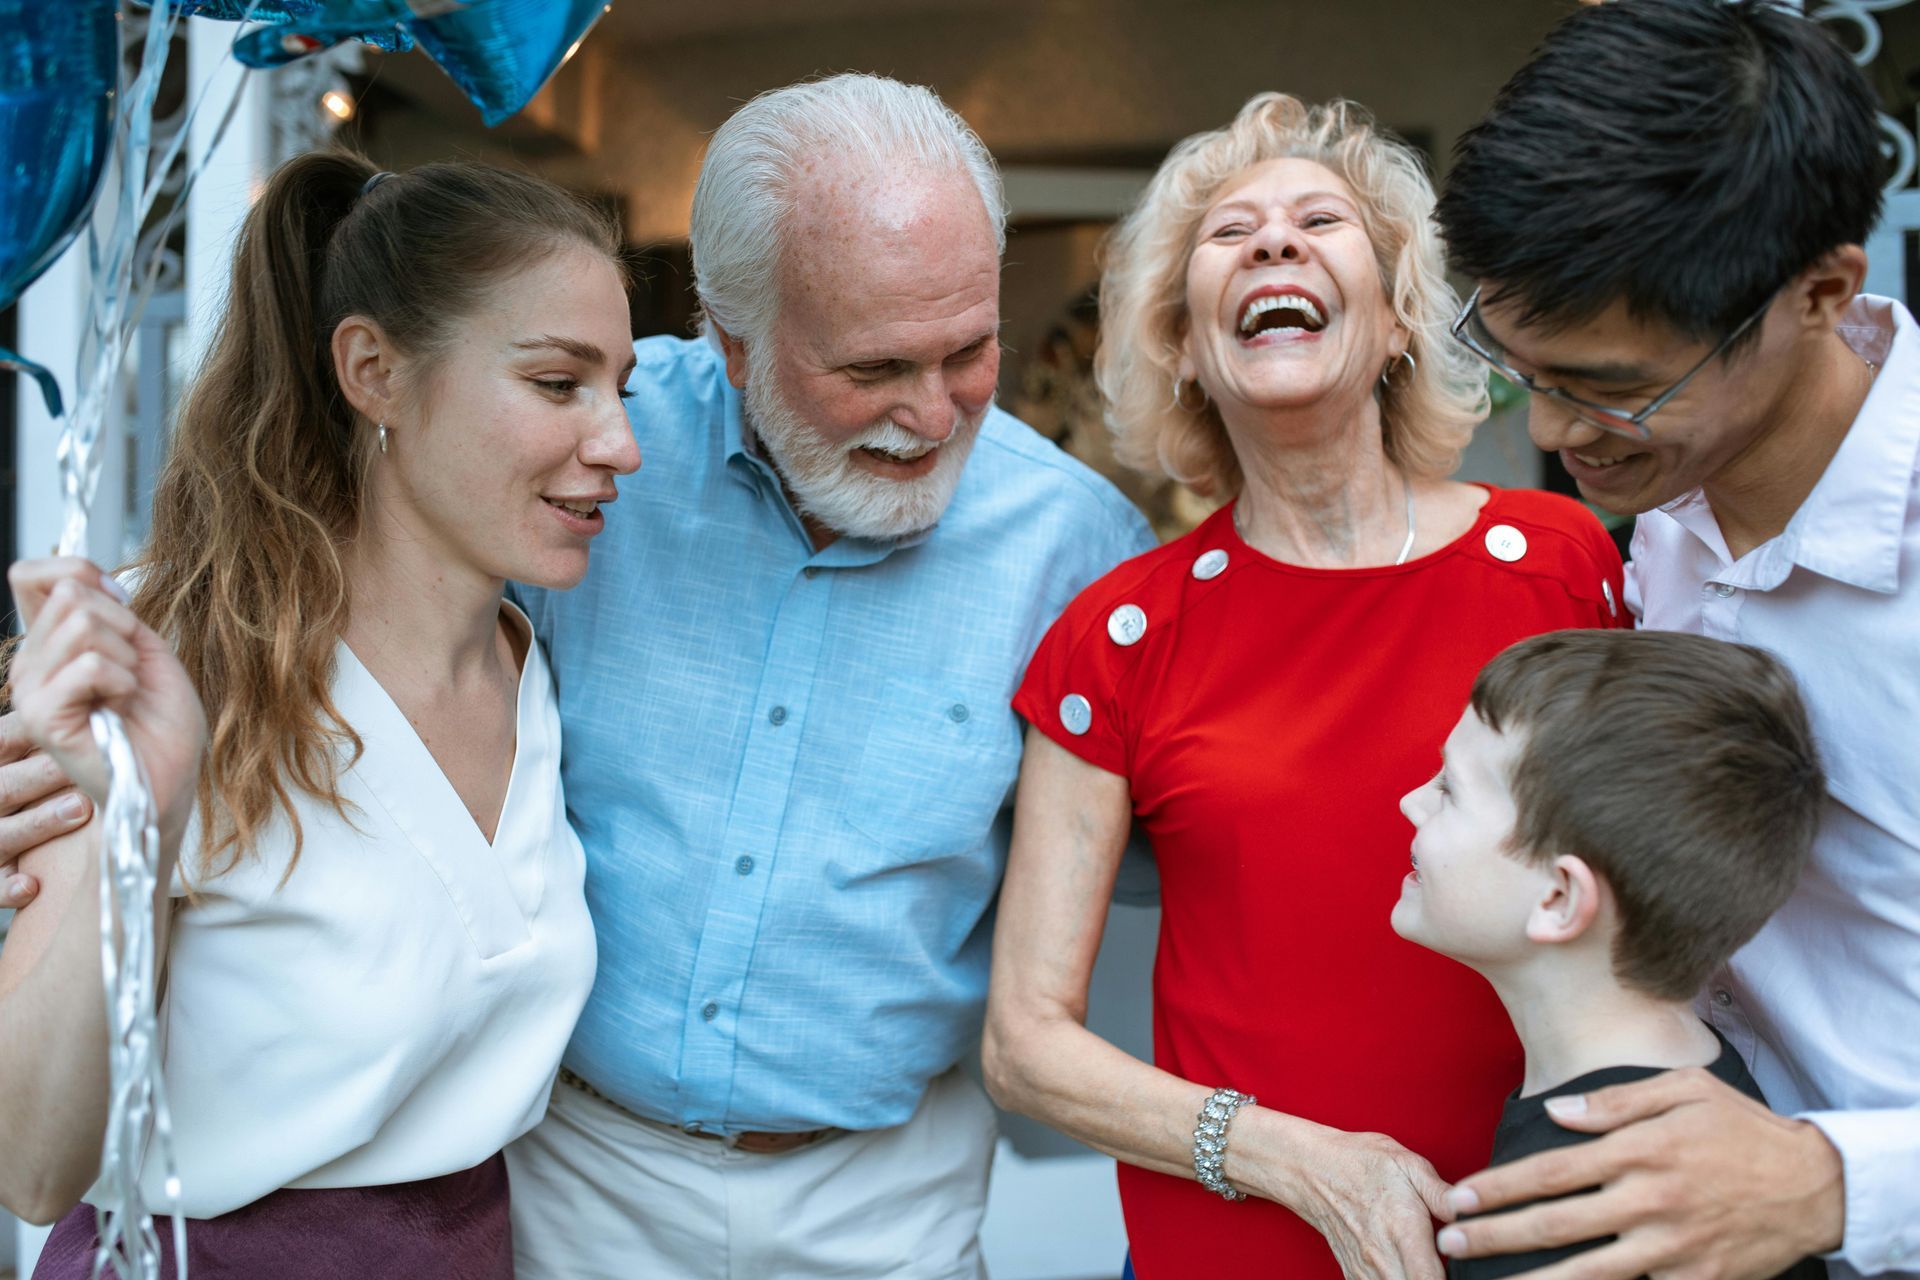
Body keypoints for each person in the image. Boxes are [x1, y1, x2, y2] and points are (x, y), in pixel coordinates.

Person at [488, 74, 1154, 1279]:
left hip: (886, 1194)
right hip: (573, 1166)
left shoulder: (1081, 549)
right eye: (874, 367)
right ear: (733, 340)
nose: (932, 413)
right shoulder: (590, 462)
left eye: (969, 352)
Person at [982, 92, 1627, 1280]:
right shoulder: (1117, 636)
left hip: (1545, 1230)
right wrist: (1306, 1161)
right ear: (1182, 343)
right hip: (1228, 1249)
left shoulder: (1561, 563)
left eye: (1321, 221)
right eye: (1229, 236)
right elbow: (1026, 1045)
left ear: (1395, 323)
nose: (1274, 241)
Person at [0, 150, 638, 1276]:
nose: (620, 443)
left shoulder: (530, 662)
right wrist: (136, 827)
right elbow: (32, 1162)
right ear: (374, 371)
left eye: (621, 388)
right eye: (557, 384)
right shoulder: (173, 656)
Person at [1432, 3, 1917, 1277]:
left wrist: (1833, 1182)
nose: (1548, 431)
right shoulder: (1666, 507)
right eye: (1517, 363)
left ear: (1822, 291)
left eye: (1607, 383)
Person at [1390, 629, 1829, 1280]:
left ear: (1561, 897)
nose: (1410, 803)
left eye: (1449, 791)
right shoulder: (1716, 1095)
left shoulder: (1566, 1219)